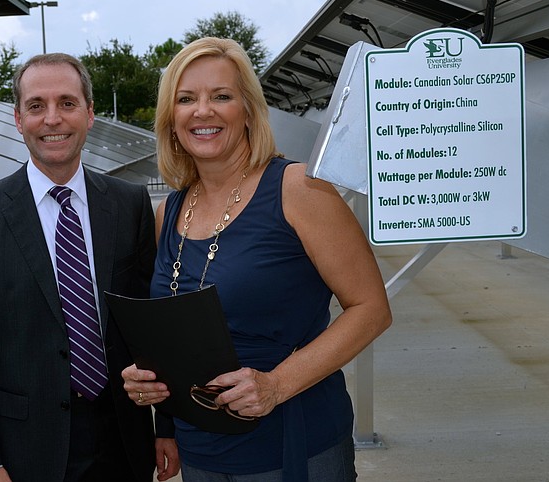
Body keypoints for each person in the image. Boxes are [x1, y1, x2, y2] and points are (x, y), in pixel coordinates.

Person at [122, 37, 392, 482]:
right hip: (201, 449)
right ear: (171, 120)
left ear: (247, 110)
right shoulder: (168, 212)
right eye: (186, 99)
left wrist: (276, 385)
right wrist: (154, 396)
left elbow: (372, 310)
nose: (202, 111)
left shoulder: (300, 190)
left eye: (221, 96)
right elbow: (171, 332)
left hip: (292, 442)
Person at [0, 52, 178, 482]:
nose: (52, 119)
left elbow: (151, 327)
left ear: (90, 114)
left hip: (123, 439)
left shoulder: (129, 205)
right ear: (18, 119)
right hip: (26, 449)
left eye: (67, 103)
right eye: (36, 106)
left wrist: (166, 426)